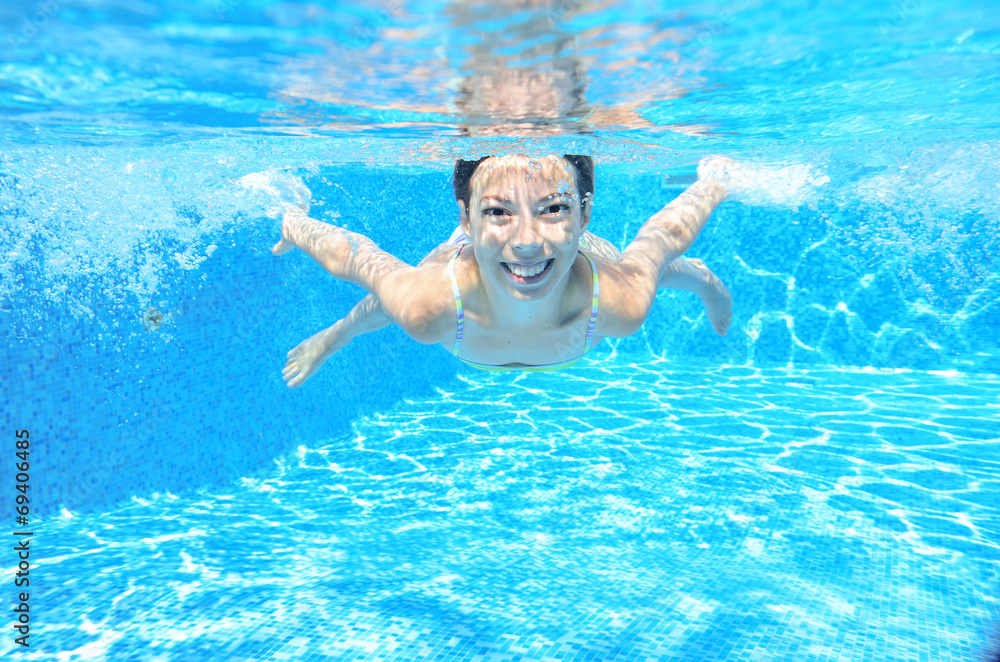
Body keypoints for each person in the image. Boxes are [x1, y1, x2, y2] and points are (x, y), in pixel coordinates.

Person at [272, 154, 733, 387]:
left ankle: (705, 279)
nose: (528, 241)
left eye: (554, 207)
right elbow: (353, 259)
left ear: (584, 213)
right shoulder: (431, 302)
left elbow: (660, 240)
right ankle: (334, 336)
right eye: (497, 211)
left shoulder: (617, 301)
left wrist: (715, 181)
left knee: (651, 271)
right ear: (466, 218)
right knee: (394, 304)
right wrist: (293, 221)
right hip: (468, 266)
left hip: (579, 258)